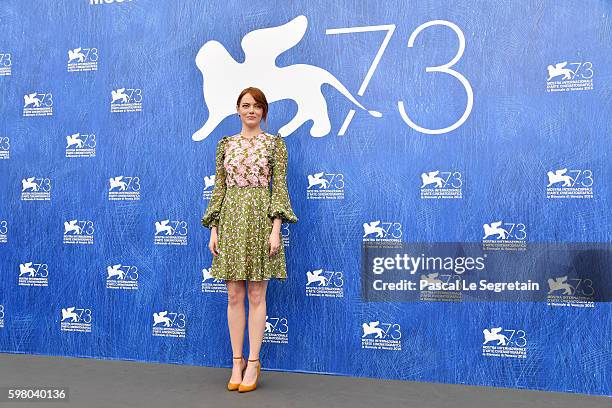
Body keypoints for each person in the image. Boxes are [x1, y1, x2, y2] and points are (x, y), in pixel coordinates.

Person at [201, 87, 298, 393]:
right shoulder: (224, 144)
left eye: (257, 106)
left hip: (259, 220)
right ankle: (236, 361)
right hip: (230, 220)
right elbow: (220, 188)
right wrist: (213, 228)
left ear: (264, 112)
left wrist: (276, 228)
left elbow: (279, 188)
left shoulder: (274, 145)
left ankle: (254, 362)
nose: (251, 110)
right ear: (237, 110)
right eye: (246, 105)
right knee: (233, 295)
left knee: (257, 295)